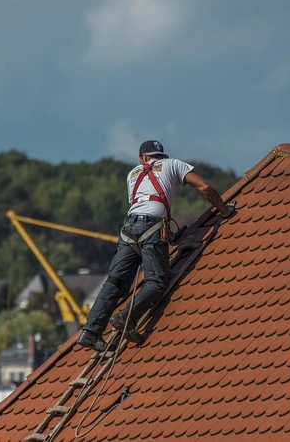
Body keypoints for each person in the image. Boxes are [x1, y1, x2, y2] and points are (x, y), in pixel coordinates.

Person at [76, 140, 236, 352]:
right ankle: (126, 317)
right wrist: (224, 211)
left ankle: (90, 332)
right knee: (157, 281)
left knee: (115, 282)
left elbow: (143, 204)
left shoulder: (132, 174)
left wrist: (167, 236)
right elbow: (204, 187)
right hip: (152, 226)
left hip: (128, 230)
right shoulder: (173, 164)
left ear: (143, 158)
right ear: (159, 156)